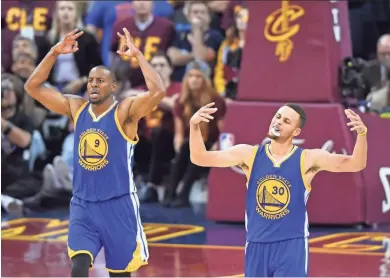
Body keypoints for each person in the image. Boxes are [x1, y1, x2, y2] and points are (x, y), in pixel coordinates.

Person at [24, 28, 166, 277]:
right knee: (78, 266)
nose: (93, 84)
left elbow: (158, 92)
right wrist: (54, 52)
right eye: (90, 80)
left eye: (100, 80)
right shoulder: (76, 107)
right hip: (83, 205)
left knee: (119, 274)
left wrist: (139, 56)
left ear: (113, 86)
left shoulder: (125, 112)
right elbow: (33, 87)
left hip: (118, 205)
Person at [189, 103, 368, 277]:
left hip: (291, 246)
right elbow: (200, 158)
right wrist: (194, 126)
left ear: (296, 132)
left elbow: (355, 164)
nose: (278, 122)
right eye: (278, 116)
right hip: (256, 244)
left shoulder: (308, 158)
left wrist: (361, 134)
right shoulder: (249, 155)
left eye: (286, 121)